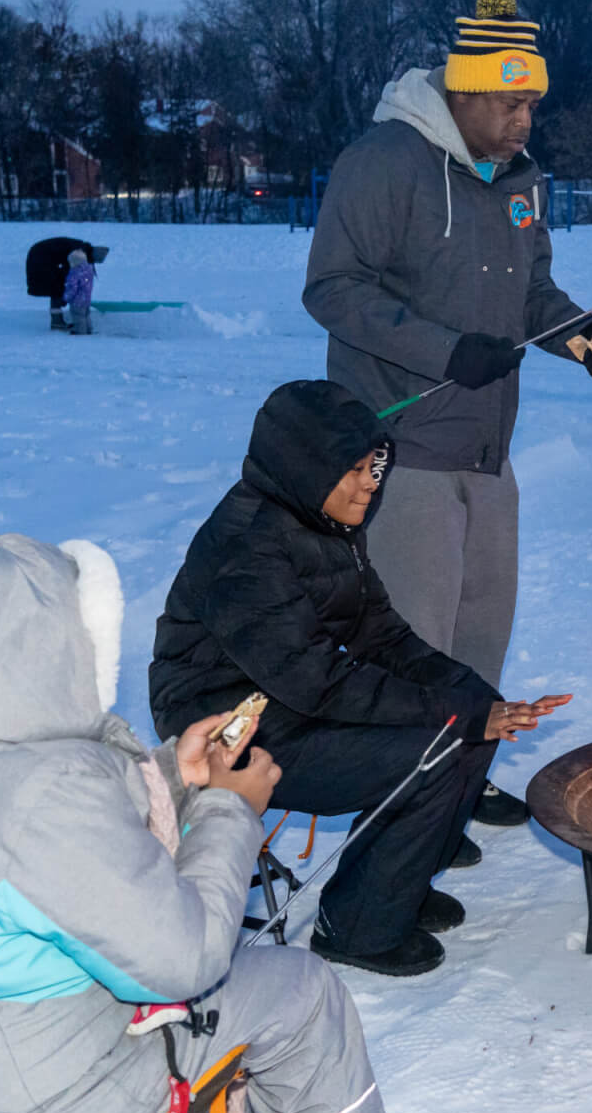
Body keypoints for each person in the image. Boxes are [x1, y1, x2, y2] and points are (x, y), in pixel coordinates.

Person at [0, 524, 438, 1113]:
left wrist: (176, 772)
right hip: (33, 1104)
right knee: (299, 992)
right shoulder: (45, 792)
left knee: (168, 995)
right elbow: (185, 960)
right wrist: (228, 810)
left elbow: (48, 851)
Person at [304, 0, 592, 835]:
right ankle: (404, 797)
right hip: (402, 445)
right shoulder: (385, 161)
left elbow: (533, 294)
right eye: (510, 102)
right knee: (416, 637)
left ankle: (459, 771)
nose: (526, 121)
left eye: (532, 104)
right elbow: (333, 289)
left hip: (489, 447)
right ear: (462, 91)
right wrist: (444, 350)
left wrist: (579, 335)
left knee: (482, 627)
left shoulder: (522, 181)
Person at [150, 379, 568, 976]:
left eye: (374, 467)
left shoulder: (321, 521)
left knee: (474, 705)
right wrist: (454, 714)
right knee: (438, 746)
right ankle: (356, 927)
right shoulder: (247, 548)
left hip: (288, 694)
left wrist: (468, 696)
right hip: (230, 725)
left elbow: (378, 631)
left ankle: (399, 881)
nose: (370, 485)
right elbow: (317, 680)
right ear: (305, 465)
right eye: (353, 470)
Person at [25, 235, 107, 331]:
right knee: (55, 290)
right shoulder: (76, 254)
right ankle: (57, 322)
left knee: (58, 288)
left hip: (41, 256)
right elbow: (70, 276)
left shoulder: (81, 250)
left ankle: (59, 320)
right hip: (40, 259)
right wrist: (67, 295)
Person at [63, 248, 96, 336]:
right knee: (86, 315)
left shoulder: (74, 272)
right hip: (86, 299)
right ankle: (88, 329)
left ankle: (80, 332)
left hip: (77, 301)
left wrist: (66, 297)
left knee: (78, 317)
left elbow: (72, 288)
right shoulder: (89, 270)